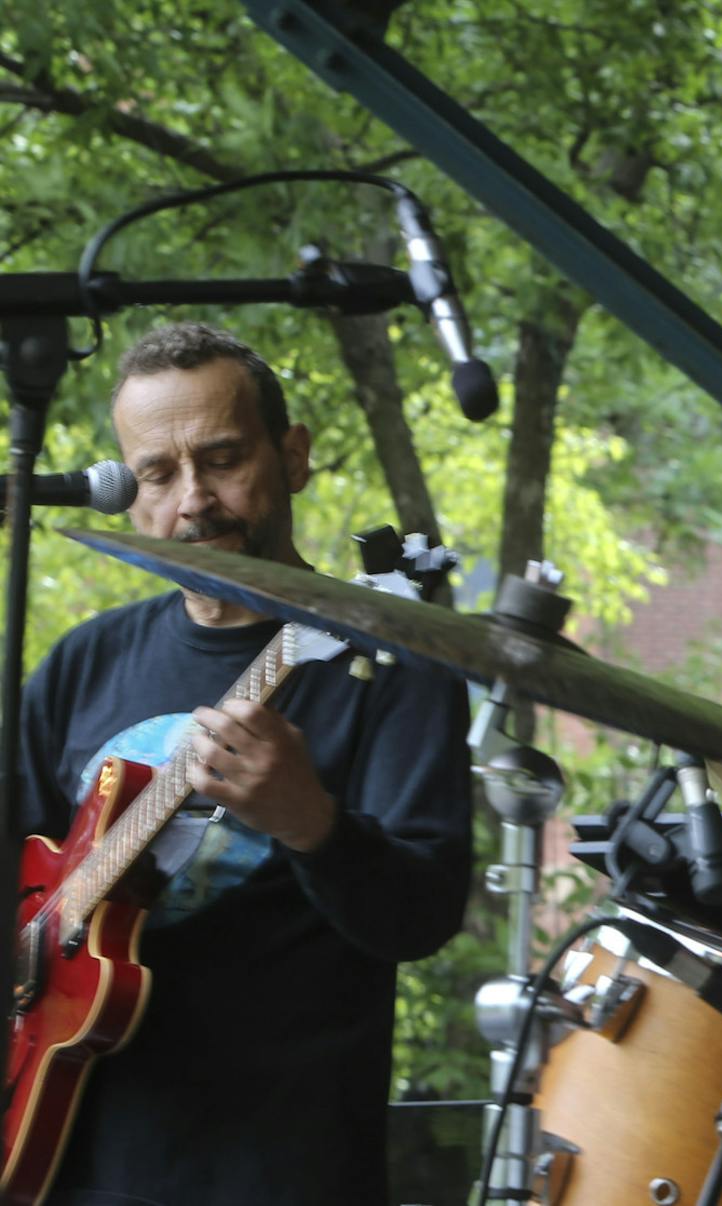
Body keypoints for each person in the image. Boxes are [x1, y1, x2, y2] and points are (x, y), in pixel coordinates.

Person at [14, 322, 473, 1206]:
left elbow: (422, 918)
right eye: (157, 473)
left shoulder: (392, 667)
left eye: (222, 459)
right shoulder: (84, 661)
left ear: (292, 456)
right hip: (64, 1148)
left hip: (280, 1170)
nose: (193, 500)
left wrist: (312, 822)